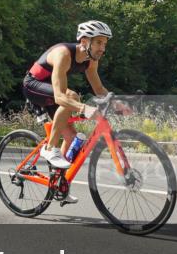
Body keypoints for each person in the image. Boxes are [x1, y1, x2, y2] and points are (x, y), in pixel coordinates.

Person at [22, 21, 113, 202]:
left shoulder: (91, 61)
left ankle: (59, 184)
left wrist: (118, 101)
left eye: (105, 43)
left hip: (53, 91)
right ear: (85, 41)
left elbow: (99, 89)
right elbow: (60, 97)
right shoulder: (63, 54)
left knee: (72, 138)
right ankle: (49, 149)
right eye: (99, 42)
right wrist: (84, 109)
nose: (103, 48)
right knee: (71, 95)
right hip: (32, 85)